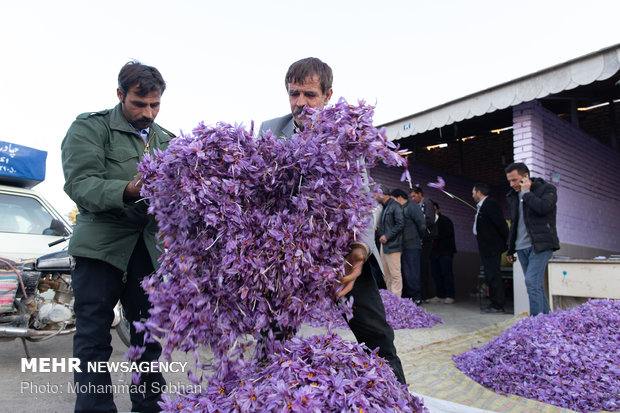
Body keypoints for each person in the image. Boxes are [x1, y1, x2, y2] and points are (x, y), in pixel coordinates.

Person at [259, 57, 406, 384]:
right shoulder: (269, 131)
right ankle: (266, 393)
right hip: (289, 253)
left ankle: (400, 395)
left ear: (328, 95)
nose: (300, 103)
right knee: (272, 335)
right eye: (293, 94)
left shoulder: (347, 135)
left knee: (375, 331)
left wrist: (359, 250)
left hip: (341, 251)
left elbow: (363, 199)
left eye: (309, 95)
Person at [61, 61, 175, 413]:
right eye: (139, 104)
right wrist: (129, 189)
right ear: (120, 95)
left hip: (146, 252)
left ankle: (149, 406)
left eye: (154, 105)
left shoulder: (168, 141)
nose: (148, 112)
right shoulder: (91, 128)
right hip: (101, 247)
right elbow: (80, 184)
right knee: (94, 337)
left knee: (148, 338)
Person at [505, 162, 559, 316]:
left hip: (541, 245)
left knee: (531, 282)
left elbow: (543, 208)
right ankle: (547, 319)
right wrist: (510, 248)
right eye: (509, 181)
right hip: (521, 247)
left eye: (514, 180)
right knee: (536, 285)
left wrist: (527, 193)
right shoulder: (512, 195)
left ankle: (535, 323)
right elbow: (515, 222)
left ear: (526, 177)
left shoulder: (547, 189)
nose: (511, 184)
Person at [472, 183, 510, 313]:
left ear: (479, 192)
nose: (472, 195)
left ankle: (497, 304)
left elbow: (501, 223)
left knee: (493, 275)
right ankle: (495, 302)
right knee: (490, 275)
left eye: (473, 192)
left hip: (492, 247)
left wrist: (508, 243)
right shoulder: (481, 206)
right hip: (485, 247)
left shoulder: (490, 203)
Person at [391, 188, 426, 304]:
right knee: (403, 272)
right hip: (400, 246)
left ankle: (416, 297)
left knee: (412, 272)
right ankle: (406, 297)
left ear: (399, 197)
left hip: (412, 245)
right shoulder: (398, 209)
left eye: (394, 199)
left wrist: (419, 237)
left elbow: (421, 225)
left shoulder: (413, 207)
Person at [375, 185, 405, 297]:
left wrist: (387, 236)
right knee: (386, 274)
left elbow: (400, 224)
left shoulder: (395, 206)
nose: (374, 196)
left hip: (393, 245)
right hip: (385, 245)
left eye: (376, 193)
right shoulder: (385, 207)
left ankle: (396, 300)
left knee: (395, 274)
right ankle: (391, 299)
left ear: (383, 193)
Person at [410, 186, 437, 302]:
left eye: (414, 196)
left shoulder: (427, 202)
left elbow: (430, 220)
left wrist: (418, 224)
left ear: (420, 194)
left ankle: (426, 295)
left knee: (423, 267)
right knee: (419, 268)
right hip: (419, 240)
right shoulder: (416, 206)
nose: (413, 198)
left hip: (426, 239)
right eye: (411, 197)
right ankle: (422, 294)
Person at [429, 203, 457, 304]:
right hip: (434, 252)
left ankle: (450, 295)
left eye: (434, 210)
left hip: (445, 252)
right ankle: (440, 295)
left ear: (438, 210)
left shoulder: (445, 220)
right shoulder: (430, 222)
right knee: (436, 274)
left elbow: (446, 235)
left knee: (446, 274)